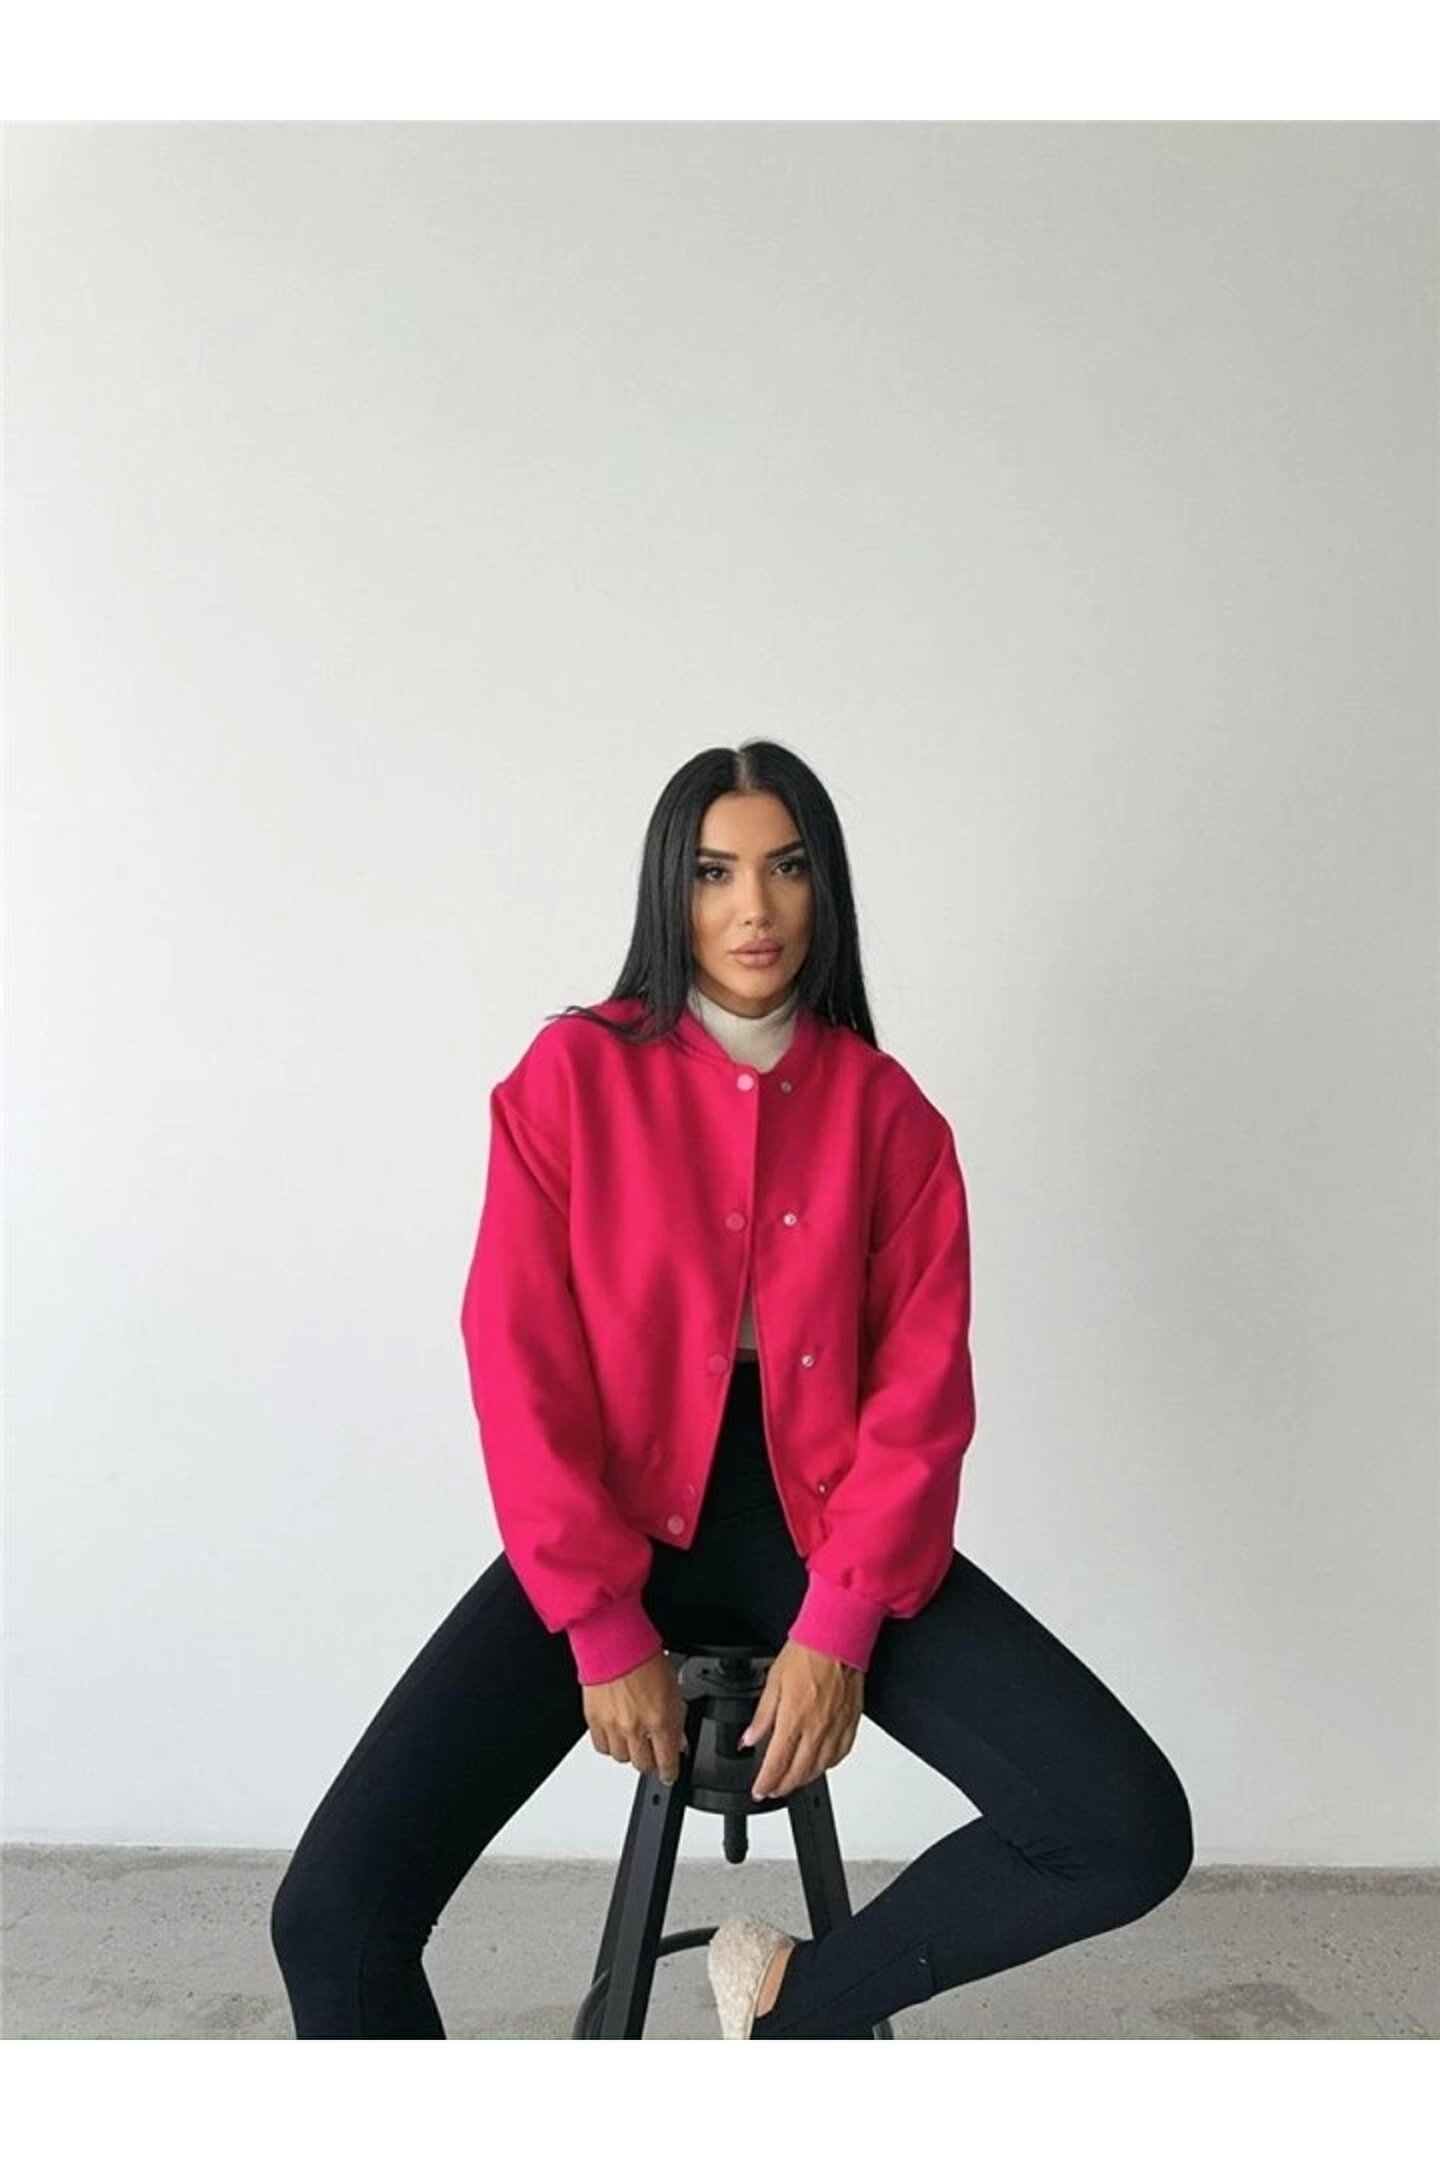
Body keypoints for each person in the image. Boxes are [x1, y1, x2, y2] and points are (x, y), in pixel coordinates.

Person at [270, 740, 1193, 2040]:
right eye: (714, 873)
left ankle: (794, 2009)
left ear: (825, 890)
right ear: (672, 890)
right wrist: (601, 1626)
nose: (753, 908)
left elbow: (921, 1394)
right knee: (330, 1917)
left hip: (827, 1526)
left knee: (1124, 1824)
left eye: (785, 868)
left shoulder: (890, 1116)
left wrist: (843, 1627)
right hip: (610, 1525)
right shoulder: (571, 1078)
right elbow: (518, 1359)